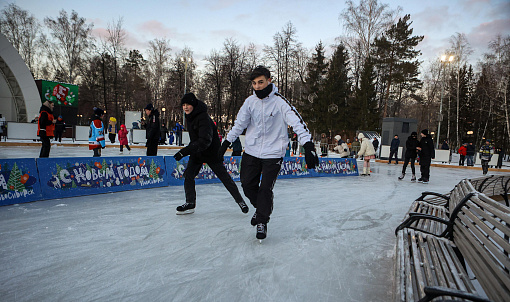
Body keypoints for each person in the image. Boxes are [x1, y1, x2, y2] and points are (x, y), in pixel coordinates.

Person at [218, 66, 318, 241]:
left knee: (265, 189)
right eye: (254, 83)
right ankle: (262, 209)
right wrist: (224, 144)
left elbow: (297, 123)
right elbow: (239, 125)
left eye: (261, 82)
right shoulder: (250, 102)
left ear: (269, 81)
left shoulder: (280, 102)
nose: (257, 86)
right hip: (251, 150)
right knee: (247, 185)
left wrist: (308, 144)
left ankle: (262, 221)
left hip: (273, 153)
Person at [173, 93, 249, 216]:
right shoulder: (189, 117)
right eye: (183, 105)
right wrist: (191, 150)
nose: (185, 107)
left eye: (188, 104)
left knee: (225, 178)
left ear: (194, 104)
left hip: (211, 152)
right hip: (197, 152)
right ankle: (190, 203)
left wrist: (184, 152)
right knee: (188, 175)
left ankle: (240, 201)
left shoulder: (203, 117)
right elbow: (196, 139)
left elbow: (205, 141)